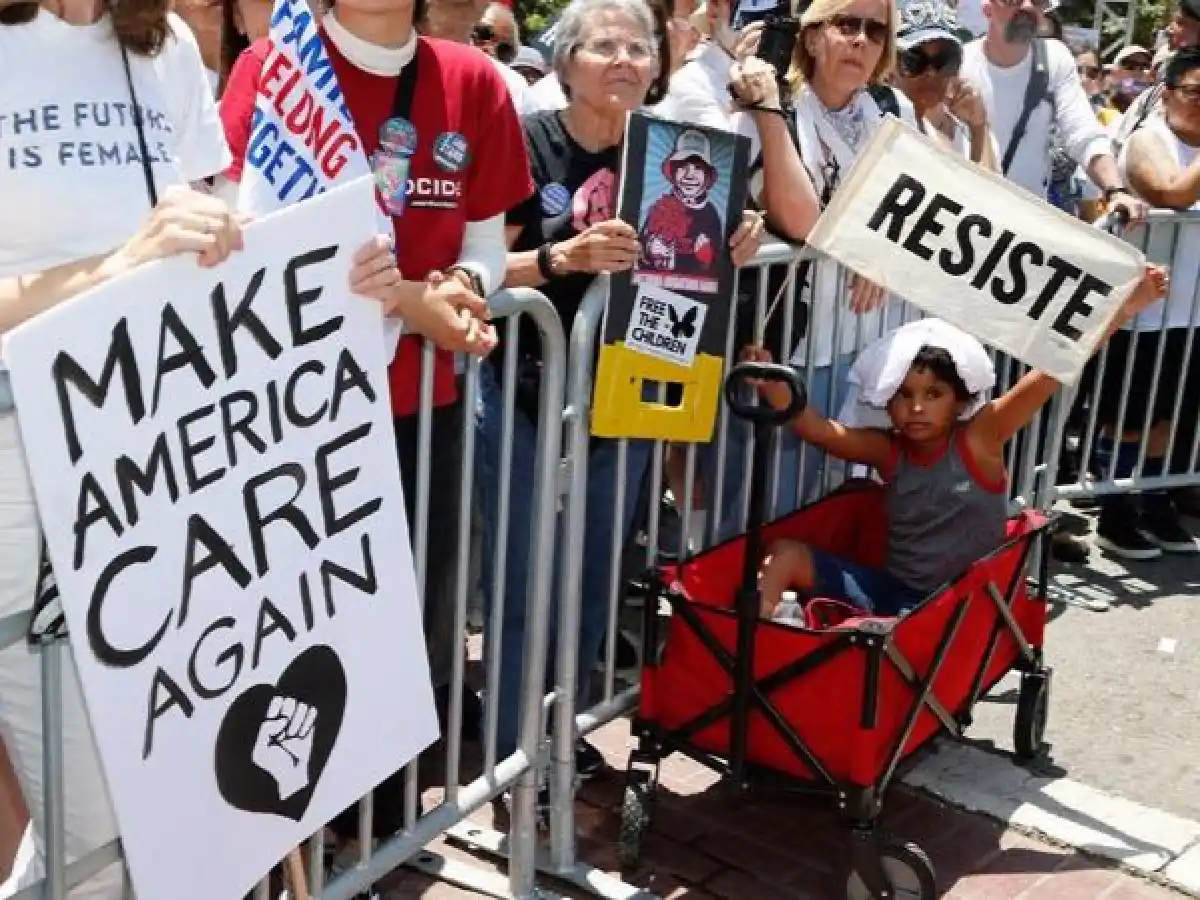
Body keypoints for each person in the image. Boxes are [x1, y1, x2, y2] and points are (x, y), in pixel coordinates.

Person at [218, 0, 532, 867]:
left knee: (418, 627)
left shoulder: (472, 79)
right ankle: (280, 837)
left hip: (422, 413)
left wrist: (462, 287)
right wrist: (404, 299)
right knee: (296, 636)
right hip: (295, 425)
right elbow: (243, 236)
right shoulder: (274, 70)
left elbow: (488, 237)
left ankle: (382, 829)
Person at [479, 0, 763, 786]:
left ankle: (559, 732)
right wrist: (563, 256)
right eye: (603, 45)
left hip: (628, 399)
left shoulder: (676, 151)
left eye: (638, 47)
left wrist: (740, 233)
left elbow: (706, 243)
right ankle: (511, 755)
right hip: (525, 390)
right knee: (521, 578)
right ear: (565, 62)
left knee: (598, 576)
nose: (624, 60)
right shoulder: (527, 141)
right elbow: (485, 270)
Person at [0, 1, 235, 896]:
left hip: (151, 459)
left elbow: (211, 215)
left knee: (150, 797)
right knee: (92, 821)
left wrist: (340, 274)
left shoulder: (163, 42)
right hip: (18, 470)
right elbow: (129, 258)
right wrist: (108, 271)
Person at [747, 267, 1170, 616]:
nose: (916, 408)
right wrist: (771, 385)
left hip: (956, 610)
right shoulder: (888, 449)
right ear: (885, 402)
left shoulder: (979, 438)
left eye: (933, 395)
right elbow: (820, 430)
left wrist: (1123, 310)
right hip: (893, 598)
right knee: (784, 553)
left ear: (960, 399)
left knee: (859, 638)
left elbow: (1052, 371)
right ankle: (757, 647)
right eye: (904, 396)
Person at [716, 0, 909, 532]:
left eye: (876, 30)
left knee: (834, 498)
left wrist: (881, 252)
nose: (862, 42)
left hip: (871, 339)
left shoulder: (893, 111)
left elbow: (922, 212)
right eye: (847, 25)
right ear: (813, 34)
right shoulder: (770, 106)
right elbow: (802, 219)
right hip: (790, 338)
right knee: (760, 502)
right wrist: (771, 111)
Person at [1087, 46, 1200, 557]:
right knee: (1130, 412)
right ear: (1167, 92)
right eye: (1194, 93)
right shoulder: (1147, 140)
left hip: (1193, 309)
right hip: (1143, 310)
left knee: (1168, 414)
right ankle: (1116, 509)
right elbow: (1172, 193)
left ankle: (1153, 500)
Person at [891, 0, 996, 167]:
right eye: (914, 61)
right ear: (890, 65)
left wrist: (978, 130)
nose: (931, 73)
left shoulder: (946, 142)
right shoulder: (871, 124)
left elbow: (985, 190)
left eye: (945, 61)